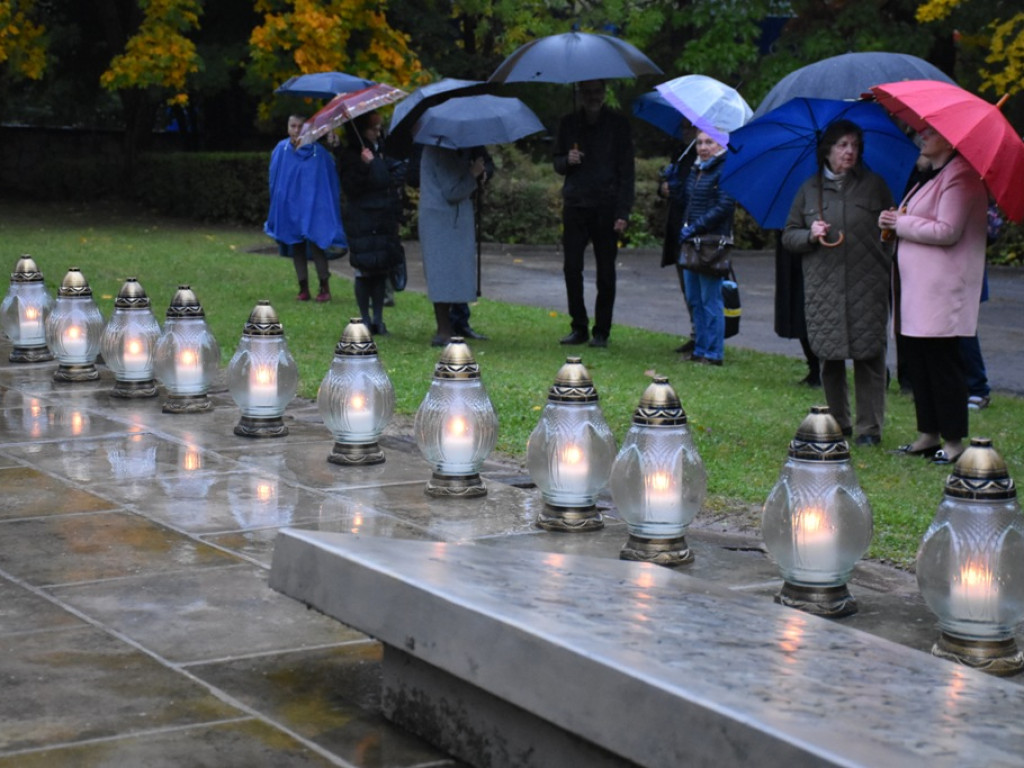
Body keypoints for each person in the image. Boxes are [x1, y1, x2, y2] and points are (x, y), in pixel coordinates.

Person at [879, 126, 988, 464]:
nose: (922, 137)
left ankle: (953, 442)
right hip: (918, 289)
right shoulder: (930, 174)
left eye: (931, 133)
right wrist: (894, 220)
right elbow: (918, 219)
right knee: (919, 362)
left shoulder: (962, 177)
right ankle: (928, 435)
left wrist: (901, 224)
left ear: (950, 140)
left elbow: (948, 230)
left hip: (942, 289)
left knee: (942, 364)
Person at [782, 120, 893, 445]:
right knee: (829, 356)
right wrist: (810, 235)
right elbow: (788, 236)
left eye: (855, 146)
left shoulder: (875, 185)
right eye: (843, 145)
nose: (850, 152)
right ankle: (838, 422)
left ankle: (870, 429)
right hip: (824, 285)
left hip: (867, 283)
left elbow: (891, 234)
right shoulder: (808, 189)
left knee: (870, 355)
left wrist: (889, 229)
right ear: (827, 149)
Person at [553, 79, 635, 348]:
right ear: (580, 94)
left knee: (606, 272)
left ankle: (602, 330)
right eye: (587, 92)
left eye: (597, 92)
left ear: (604, 93)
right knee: (572, 268)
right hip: (576, 204)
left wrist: (623, 211)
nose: (592, 97)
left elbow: (627, 172)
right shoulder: (569, 123)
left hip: (607, 206)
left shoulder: (618, 125)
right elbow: (557, 162)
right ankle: (579, 326)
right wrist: (568, 160)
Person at [264, 114, 347, 302]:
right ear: (287, 128)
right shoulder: (281, 150)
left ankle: (324, 285)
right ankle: (303, 287)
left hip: (314, 208)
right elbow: (275, 180)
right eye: (292, 126)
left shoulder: (319, 153)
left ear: (307, 129)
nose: (296, 130)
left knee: (317, 243)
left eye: (300, 126)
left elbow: (329, 181)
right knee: (297, 246)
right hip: (290, 206)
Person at [337, 112, 404, 335]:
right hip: (362, 218)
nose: (378, 132)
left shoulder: (382, 150)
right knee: (364, 270)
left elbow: (393, 176)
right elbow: (352, 187)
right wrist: (367, 166)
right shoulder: (350, 156)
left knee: (381, 269)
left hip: (383, 216)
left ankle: (378, 318)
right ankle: (365, 317)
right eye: (373, 128)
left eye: (379, 128)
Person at [418, 144, 487, 346]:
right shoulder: (441, 151)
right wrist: (472, 174)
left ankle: (446, 328)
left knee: (445, 274)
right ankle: (444, 331)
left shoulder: (438, 149)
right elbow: (452, 191)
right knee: (443, 275)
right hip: (443, 221)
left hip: (443, 221)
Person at [677, 130, 735, 366]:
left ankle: (713, 353)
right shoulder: (697, 169)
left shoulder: (724, 170)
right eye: (699, 142)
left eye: (709, 142)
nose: (703, 147)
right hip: (692, 242)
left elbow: (725, 206)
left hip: (712, 243)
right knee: (694, 297)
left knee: (710, 299)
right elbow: (688, 202)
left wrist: (695, 227)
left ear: (721, 145)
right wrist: (673, 184)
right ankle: (700, 348)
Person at [658, 138, 697, 354]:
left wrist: (674, 188)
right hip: (678, 229)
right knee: (687, 286)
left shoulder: (705, 161)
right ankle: (696, 333)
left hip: (695, 232)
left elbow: (690, 192)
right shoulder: (680, 151)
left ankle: (706, 339)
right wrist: (663, 187)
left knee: (701, 290)